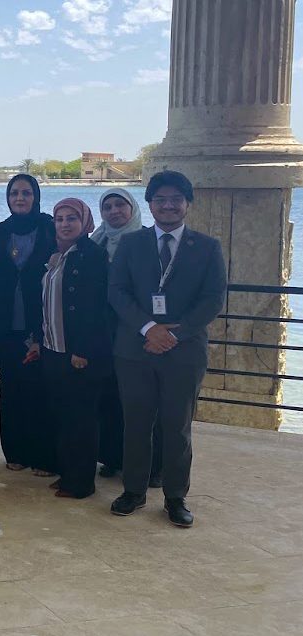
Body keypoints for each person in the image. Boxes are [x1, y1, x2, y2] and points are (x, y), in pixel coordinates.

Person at [108, 170, 225, 527]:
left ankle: (175, 497)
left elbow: (213, 299)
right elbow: (117, 292)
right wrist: (149, 328)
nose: (168, 205)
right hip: (134, 349)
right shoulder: (131, 244)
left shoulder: (207, 247)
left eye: (176, 199)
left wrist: (175, 334)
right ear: (150, 204)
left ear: (188, 203)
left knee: (177, 427)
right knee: (135, 424)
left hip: (184, 352)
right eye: (160, 199)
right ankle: (134, 490)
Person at [0, 173, 56, 475]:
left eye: (26, 193)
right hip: (4, 324)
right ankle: (16, 452)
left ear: (36, 197)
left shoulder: (50, 228)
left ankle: (44, 456)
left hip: (42, 325)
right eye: (14, 193)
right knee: (11, 389)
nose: (20, 198)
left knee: (41, 391)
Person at [41, 199, 110, 499]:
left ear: (85, 222)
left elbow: (95, 308)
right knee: (63, 414)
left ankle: (81, 482)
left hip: (78, 353)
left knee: (81, 418)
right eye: (59, 219)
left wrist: (83, 349)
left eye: (72, 218)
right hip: (53, 347)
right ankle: (67, 473)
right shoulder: (57, 253)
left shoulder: (93, 255)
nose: (65, 224)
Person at [91, 188, 155, 480]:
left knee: (141, 401)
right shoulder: (98, 239)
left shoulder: (146, 242)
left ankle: (152, 465)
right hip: (104, 330)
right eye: (108, 207)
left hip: (135, 330)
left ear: (133, 208)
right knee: (109, 397)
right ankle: (113, 457)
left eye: (120, 205)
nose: (114, 211)